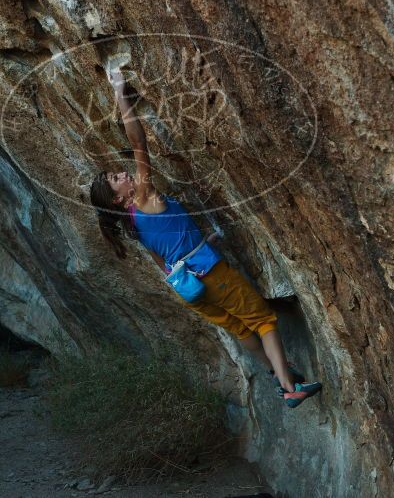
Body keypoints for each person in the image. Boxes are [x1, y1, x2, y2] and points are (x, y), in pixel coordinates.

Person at [88, 69, 321, 408]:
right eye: (116, 178)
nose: (124, 173)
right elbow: (139, 142)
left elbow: (166, 260)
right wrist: (120, 92)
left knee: (243, 331)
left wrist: (199, 240)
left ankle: (275, 374)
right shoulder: (143, 198)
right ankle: (289, 388)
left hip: (190, 290)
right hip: (210, 275)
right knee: (263, 321)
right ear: (119, 199)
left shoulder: (134, 224)